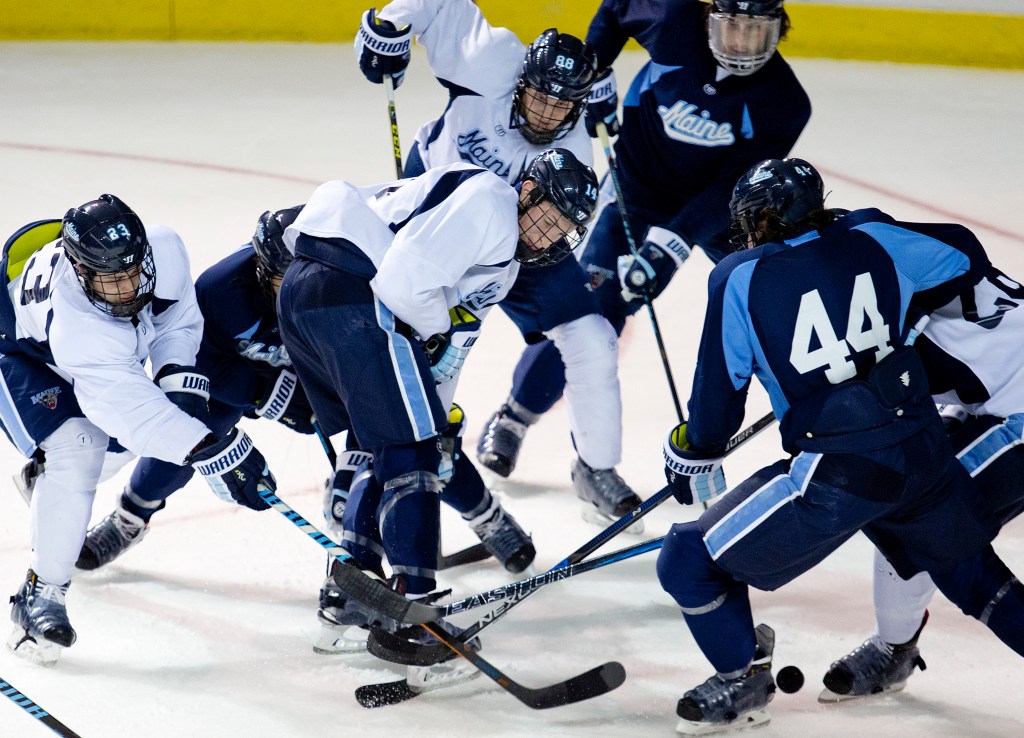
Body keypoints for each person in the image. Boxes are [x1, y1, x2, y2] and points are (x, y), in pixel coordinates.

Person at [653, 159, 1024, 734]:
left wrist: (690, 450)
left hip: (839, 476)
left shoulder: (738, 276)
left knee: (687, 561)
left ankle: (740, 680)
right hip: (924, 456)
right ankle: (893, 648)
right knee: (978, 581)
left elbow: (714, 414)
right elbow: (965, 254)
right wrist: (902, 300)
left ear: (755, 223)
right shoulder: (873, 235)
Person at [276, 149, 598, 670]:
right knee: (411, 453)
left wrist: (434, 412)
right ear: (527, 192)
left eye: (564, 227)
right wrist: (430, 360)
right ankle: (417, 619)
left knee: (389, 443)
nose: (552, 232)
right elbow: (403, 288)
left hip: (312, 296)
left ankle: (350, 595)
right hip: (349, 288)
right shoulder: (490, 203)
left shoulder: (505, 260)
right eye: (550, 215)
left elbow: (454, 339)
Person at [484, 0, 811, 503]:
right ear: (709, 18)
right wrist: (596, 67)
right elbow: (616, 8)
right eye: (733, 29)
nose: (741, 47)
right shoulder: (676, 21)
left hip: (720, 210)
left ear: (777, 32)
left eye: (755, 33)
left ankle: (810, 424)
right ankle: (516, 416)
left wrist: (672, 245)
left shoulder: (784, 102)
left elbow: (733, 187)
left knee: (771, 302)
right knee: (591, 311)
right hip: (637, 191)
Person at [356, 0, 643, 524]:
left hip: (528, 247)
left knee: (591, 339)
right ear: (521, 80)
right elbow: (438, 5)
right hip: (437, 226)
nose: (547, 116)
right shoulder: (490, 60)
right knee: (419, 361)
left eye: (563, 107)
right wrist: (388, 25)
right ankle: (391, 488)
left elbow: (561, 232)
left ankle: (595, 468)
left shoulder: (576, 153)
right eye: (539, 98)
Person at [0, 195, 276, 665]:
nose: (128, 288)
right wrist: (213, 450)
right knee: (79, 447)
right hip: (17, 352)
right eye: (111, 279)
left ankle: (51, 487)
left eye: (133, 271)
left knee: (139, 430)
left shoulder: (164, 249)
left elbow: (178, 320)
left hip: (71, 350)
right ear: (82, 274)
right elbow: (133, 413)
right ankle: (40, 594)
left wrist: (178, 384)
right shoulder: (79, 329)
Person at [819, 263, 1024, 700]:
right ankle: (894, 646)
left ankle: (894, 645)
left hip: (1013, 407)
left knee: (922, 514)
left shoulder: (896, 330)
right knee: (910, 507)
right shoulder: (900, 269)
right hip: (995, 394)